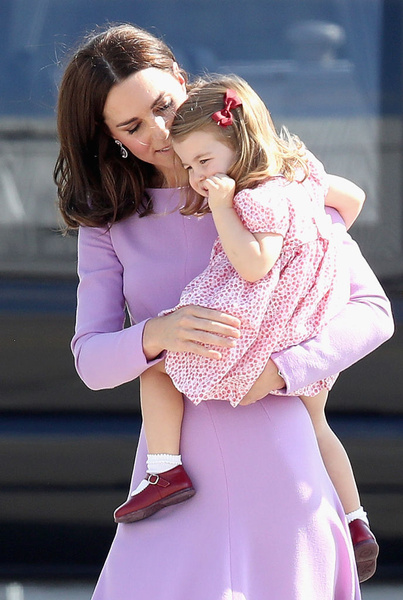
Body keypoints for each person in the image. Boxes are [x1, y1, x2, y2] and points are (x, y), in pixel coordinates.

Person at [54, 24, 394, 600]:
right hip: (170, 478)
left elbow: (371, 311)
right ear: (107, 136)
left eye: (164, 106)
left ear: (184, 82)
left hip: (281, 459)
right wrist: (157, 334)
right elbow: (91, 361)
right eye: (132, 127)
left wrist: (282, 371)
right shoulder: (109, 221)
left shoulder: (271, 182)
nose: (160, 133)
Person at [112, 75, 378, 582]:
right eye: (190, 166)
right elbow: (354, 198)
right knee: (317, 424)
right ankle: (354, 517)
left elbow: (254, 264)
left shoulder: (253, 200)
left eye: (203, 161)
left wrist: (222, 208)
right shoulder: (301, 176)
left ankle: (164, 469)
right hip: (305, 323)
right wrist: (316, 231)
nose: (196, 176)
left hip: (257, 333)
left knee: (160, 367)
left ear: (241, 143)